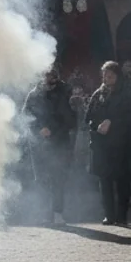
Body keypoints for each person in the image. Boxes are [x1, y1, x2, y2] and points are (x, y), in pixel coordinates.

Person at [23, 68, 76, 225]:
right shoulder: (34, 93)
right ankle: (45, 214)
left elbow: (71, 118)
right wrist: (40, 128)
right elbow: (26, 115)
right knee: (42, 180)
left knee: (59, 179)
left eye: (52, 74)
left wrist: (53, 130)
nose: (49, 77)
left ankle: (58, 213)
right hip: (39, 144)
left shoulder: (66, 91)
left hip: (60, 141)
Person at [86, 61, 131, 225]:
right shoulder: (97, 94)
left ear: (117, 76)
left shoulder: (127, 93)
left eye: (111, 76)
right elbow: (89, 117)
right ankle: (109, 214)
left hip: (122, 144)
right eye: (105, 76)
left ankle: (122, 216)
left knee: (122, 181)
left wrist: (112, 122)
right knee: (104, 180)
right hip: (102, 145)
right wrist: (97, 125)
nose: (107, 79)